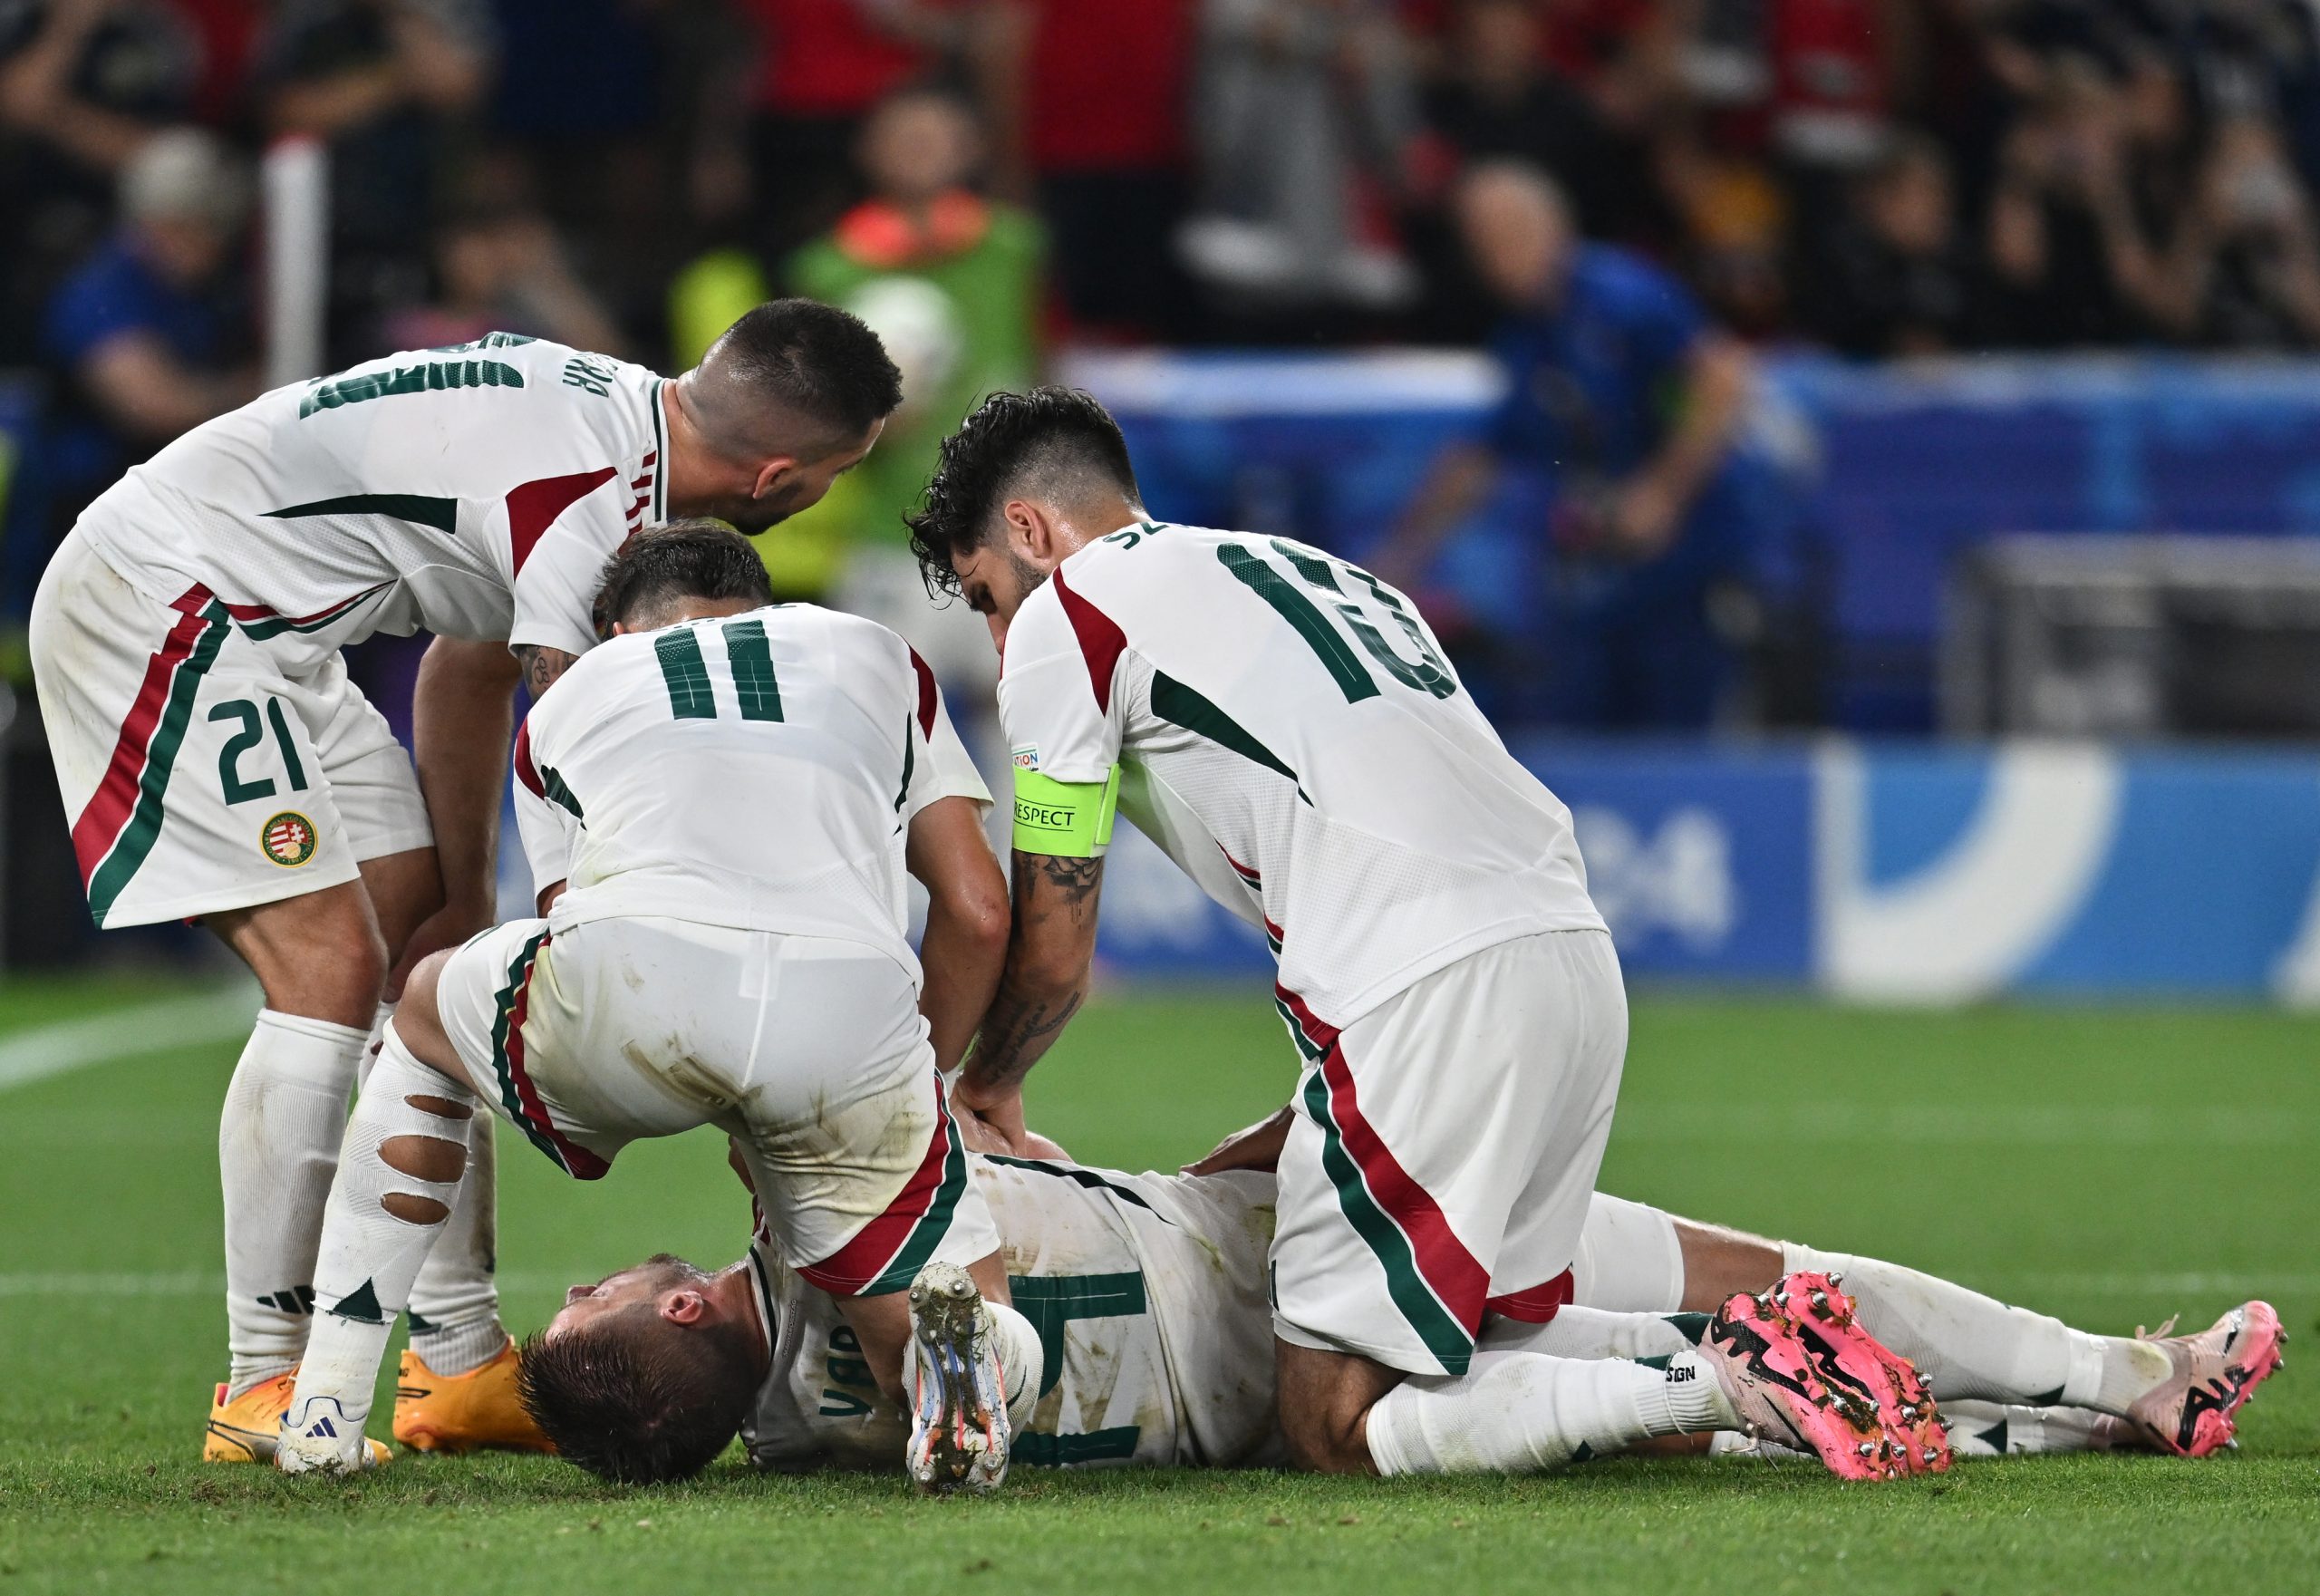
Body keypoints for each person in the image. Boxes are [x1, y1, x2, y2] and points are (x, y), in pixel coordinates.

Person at [899, 384, 1948, 1481]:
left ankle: (1723, 1376)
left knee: (1332, 1421)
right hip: (1571, 955)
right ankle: (2037, 1398)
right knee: (1502, 1341)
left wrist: (984, 1088)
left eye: (984, 596)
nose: (995, 632)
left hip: (1427, 992)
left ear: (1031, 530)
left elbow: (1055, 949)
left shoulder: (1065, 620)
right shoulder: (1321, 574)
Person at [26, 299, 902, 1464]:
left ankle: (453, 1363)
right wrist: (588, 930)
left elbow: (468, 668)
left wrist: (464, 898)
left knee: (418, 969)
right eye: (841, 473)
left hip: (275, 635)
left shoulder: (615, 426)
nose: (828, 495)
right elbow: (577, 738)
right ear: (783, 474)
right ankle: (261, 1384)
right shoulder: (592, 506)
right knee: (326, 970)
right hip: (171, 601)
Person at [269, 523, 1043, 1491]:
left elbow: (572, 923)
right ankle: (971, 1372)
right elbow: (975, 912)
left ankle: (329, 1401)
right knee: (930, 1321)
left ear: (612, 627)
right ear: (765, 608)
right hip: (849, 1006)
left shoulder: (571, 697)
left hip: (638, 976)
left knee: (422, 1016)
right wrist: (911, 1083)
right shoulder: (877, 655)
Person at [526, 1125, 2282, 1480]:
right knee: (1750, 1273)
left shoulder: (804, 1432)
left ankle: (1738, 1389)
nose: (612, 1265)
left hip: (1242, 1376)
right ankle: (2120, 1372)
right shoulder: (840, 1217)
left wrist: (501, 1396)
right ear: (682, 1307)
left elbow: (574, 1392)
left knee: (1673, 1346)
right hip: (1301, 1250)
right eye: (612, 1282)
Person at [1376, 161, 1763, 730]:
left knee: (1679, 730)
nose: (1494, 254)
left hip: (1687, 564)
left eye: (1508, 233)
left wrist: (1661, 494)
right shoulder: (1525, 338)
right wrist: (1397, 564)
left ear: (1552, 226)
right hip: (1604, 573)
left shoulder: (1623, 297)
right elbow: (1483, 457)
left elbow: (1724, 377)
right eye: (1480, 239)